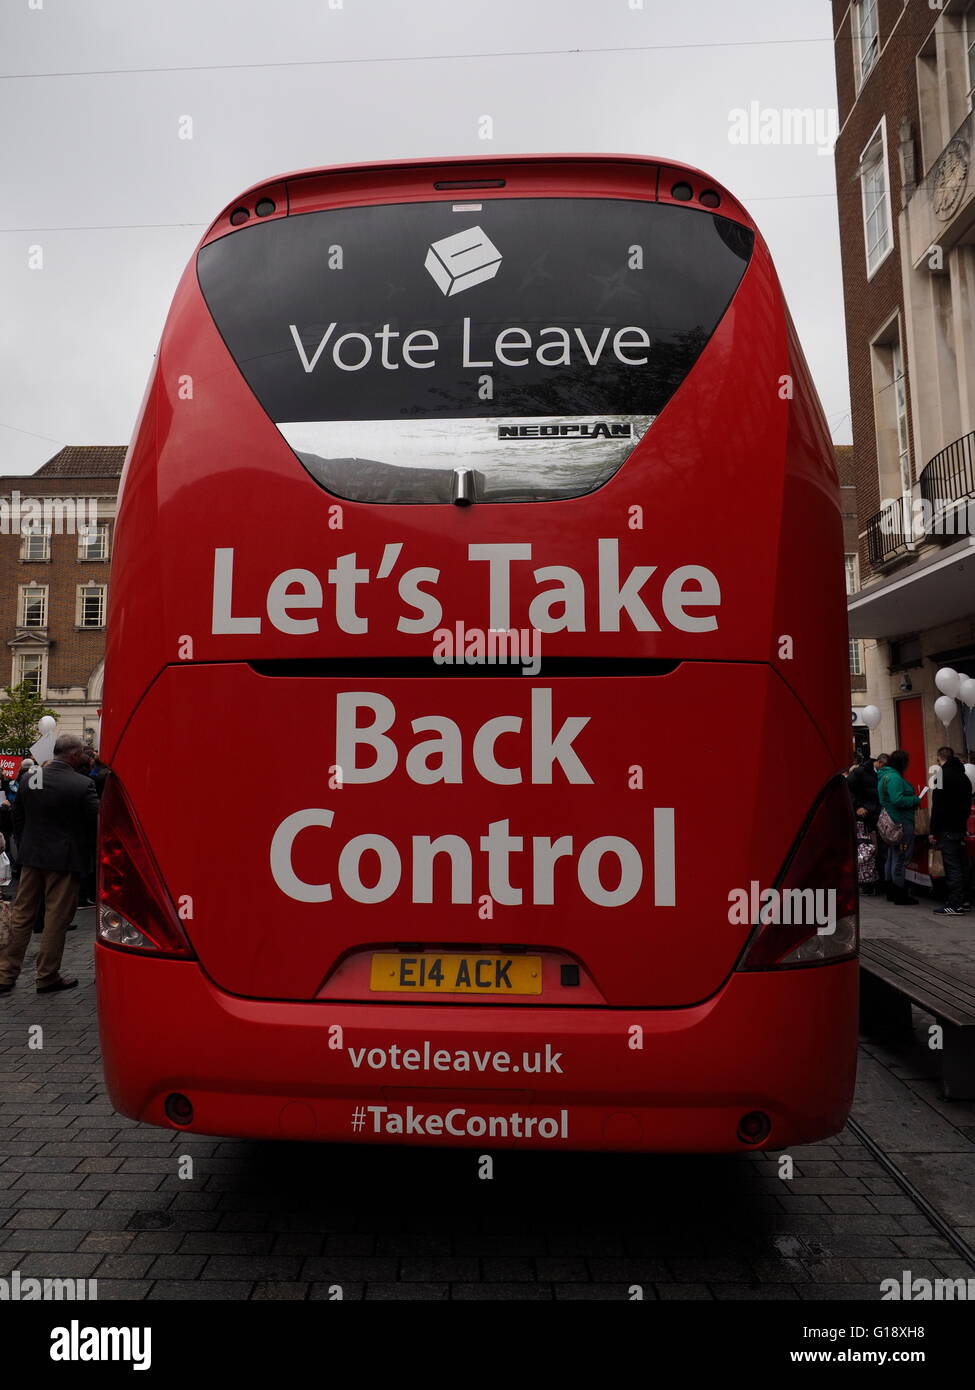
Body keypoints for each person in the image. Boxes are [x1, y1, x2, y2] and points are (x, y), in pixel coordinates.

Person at [0, 735, 99, 995]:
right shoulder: (82, 784)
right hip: (64, 860)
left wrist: (25, 845)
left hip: (32, 856)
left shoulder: (30, 779)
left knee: (21, 916)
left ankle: (5, 974)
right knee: (56, 918)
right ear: (75, 756)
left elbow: (18, 816)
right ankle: (46, 976)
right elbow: (96, 824)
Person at [929, 746, 973, 916]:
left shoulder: (941, 776)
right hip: (959, 826)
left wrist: (933, 830)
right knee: (962, 864)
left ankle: (955, 903)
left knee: (952, 865)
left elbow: (937, 806)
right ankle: (964, 899)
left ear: (939, 758)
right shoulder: (963, 777)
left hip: (946, 827)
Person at [878, 749, 921, 905]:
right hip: (900, 822)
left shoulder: (884, 775)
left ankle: (891, 890)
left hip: (891, 821)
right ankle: (899, 893)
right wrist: (914, 800)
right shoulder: (895, 778)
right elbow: (897, 799)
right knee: (900, 857)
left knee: (891, 856)